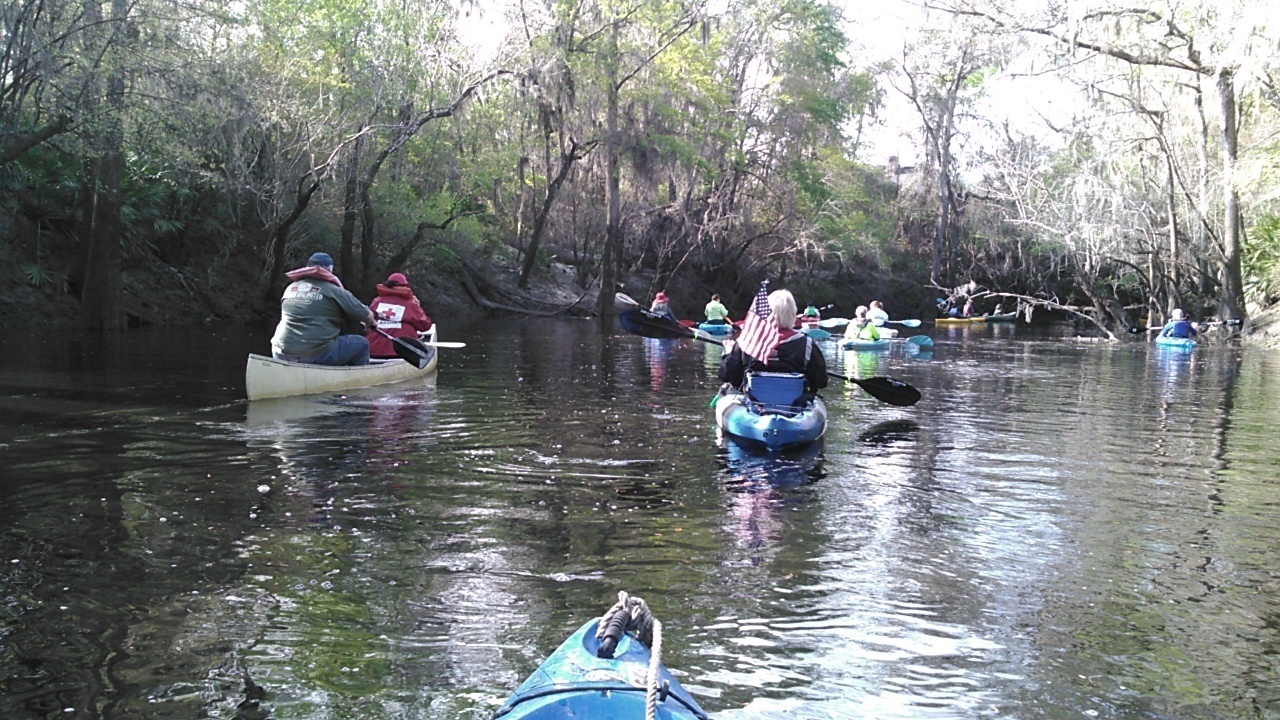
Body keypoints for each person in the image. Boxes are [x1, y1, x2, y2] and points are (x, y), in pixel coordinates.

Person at [271, 252, 376, 366]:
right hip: (316, 355)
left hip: (279, 352)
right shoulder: (335, 291)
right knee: (362, 344)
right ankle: (356, 381)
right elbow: (367, 315)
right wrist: (371, 323)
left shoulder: (290, 288)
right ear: (330, 269)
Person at [720, 289, 828, 398]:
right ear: (793, 314)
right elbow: (821, 382)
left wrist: (728, 353)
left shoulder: (746, 341)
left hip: (751, 402)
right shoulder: (807, 345)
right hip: (794, 405)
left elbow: (727, 375)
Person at [366, 272, 434, 359]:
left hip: (373, 351)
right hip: (402, 353)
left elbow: (367, 321)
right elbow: (425, 326)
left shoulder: (376, 301)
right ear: (406, 286)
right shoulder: (410, 304)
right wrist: (418, 307)